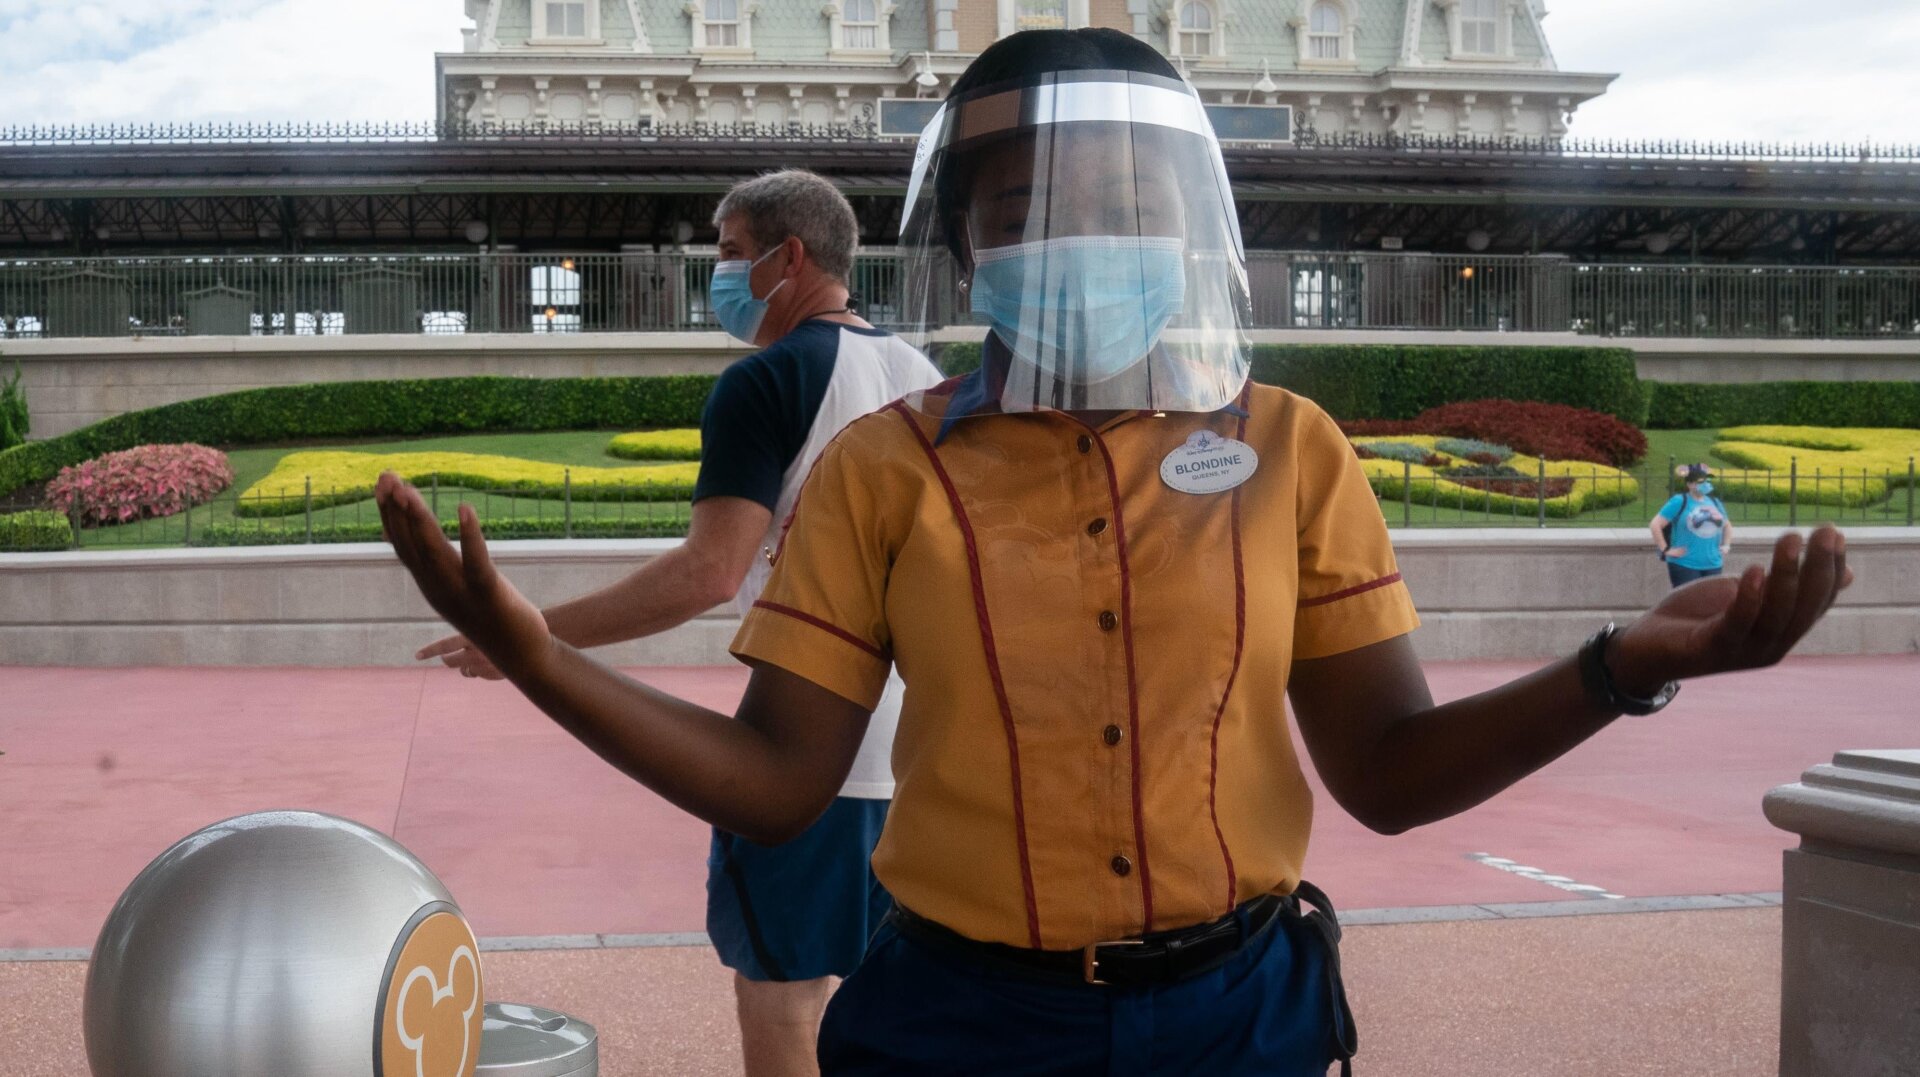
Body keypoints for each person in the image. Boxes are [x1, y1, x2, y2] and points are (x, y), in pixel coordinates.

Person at [374, 30, 1853, 1076]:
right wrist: (533, 653)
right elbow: (775, 782)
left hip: (1241, 1017)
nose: (1079, 235)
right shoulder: (885, 470)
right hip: (958, 1021)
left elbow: (1390, 774)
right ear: (968, 250)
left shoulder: (1290, 448)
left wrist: (1619, 667)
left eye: (1121, 205)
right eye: (1026, 210)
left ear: (1186, 232)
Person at [411, 169, 942, 1077]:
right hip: (926, 753)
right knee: (909, 1001)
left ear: (790, 258)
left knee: (784, 997)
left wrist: (528, 637)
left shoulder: (767, 380)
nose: (720, 274)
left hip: (806, 755)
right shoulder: (928, 380)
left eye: (732, 253)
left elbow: (710, 570)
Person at [1652, 463, 1732, 588]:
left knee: (1711, 599)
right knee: (1688, 599)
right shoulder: (1679, 501)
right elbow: (1655, 525)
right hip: (1685, 564)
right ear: (1690, 484)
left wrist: (1726, 545)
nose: (1706, 484)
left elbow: (1727, 525)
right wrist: (1666, 550)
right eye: (1701, 481)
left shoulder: (1714, 502)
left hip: (1713, 564)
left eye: (1707, 480)